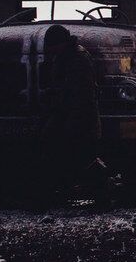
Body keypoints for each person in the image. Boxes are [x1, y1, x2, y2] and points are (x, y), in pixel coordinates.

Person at [41, 25, 110, 208]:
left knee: (84, 156)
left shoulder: (76, 58)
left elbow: (80, 91)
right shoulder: (70, 55)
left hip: (77, 115)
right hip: (71, 113)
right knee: (79, 155)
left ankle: (102, 197)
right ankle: (99, 196)